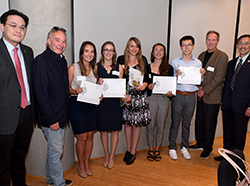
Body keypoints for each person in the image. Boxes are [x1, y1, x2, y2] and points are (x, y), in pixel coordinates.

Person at [32, 27, 72, 186]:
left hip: (61, 115)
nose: (61, 44)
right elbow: (40, 94)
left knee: (53, 152)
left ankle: (51, 180)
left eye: (64, 41)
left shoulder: (62, 60)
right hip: (52, 117)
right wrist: (51, 119)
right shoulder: (40, 61)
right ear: (48, 41)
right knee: (56, 153)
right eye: (57, 40)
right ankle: (58, 183)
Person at [0, 9, 34, 186]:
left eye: (22, 27)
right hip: (4, 119)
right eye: (13, 25)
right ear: (2, 26)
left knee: (20, 157)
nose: (18, 30)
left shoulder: (28, 52)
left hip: (26, 115)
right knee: (2, 164)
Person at [189, 30, 228, 159]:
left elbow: (219, 78)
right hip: (200, 95)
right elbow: (196, 75)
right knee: (200, 121)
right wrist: (198, 88)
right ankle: (199, 143)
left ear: (217, 41)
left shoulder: (222, 56)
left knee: (210, 124)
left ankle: (207, 148)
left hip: (212, 97)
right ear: (205, 41)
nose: (210, 42)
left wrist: (204, 90)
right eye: (208, 39)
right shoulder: (201, 55)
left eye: (213, 40)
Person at [168, 35, 205, 160]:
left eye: (189, 45)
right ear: (180, 47)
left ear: (193, 46)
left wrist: (202, 75)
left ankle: (184, 147)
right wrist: (176, 75)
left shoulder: (198, 63)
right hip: (178, 95)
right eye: (184, 45)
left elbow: (200, 81)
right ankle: (172, 147)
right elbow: (170, 80)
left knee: (187, 123)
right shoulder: (175, 62)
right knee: (175, 123)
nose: (186, 47)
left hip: (191, 96)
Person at [214, 34, 250, 161]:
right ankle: (227, 156)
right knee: (228, 131)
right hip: (228, 103)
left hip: (243, 105)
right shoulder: (231, 63)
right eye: (240, 43)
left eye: (246, 43)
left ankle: (237, 159)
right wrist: (223, 101)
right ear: (236, 46)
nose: (243, 46)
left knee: (239, 134)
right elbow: (227, 83)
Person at [97, 41, 131, 169]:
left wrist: (126, 98)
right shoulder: (97, 67)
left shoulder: (119, 67)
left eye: (111, 50)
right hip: (102, 104)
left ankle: (112, 155)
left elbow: (121, 87)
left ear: (114, 52)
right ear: (102, 52)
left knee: (115, 130)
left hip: (115, 104)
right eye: (106, 49)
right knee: (104, 131)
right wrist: (97, 83)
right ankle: (106, 154)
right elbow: (93, 86)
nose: (108, 52)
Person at [117, 37, 151, 165]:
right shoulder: (121, 59)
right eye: (132, 46)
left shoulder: (143, 60)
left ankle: (133, 151)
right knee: (127, 124)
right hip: (127, 96)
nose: (134, 49)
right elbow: (118, 78)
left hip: (139, 96)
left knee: (136, 125)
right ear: (128, 47)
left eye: (136, 46)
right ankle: (127, 149)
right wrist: (123, 96)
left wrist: (145, 85)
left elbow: (147, 78)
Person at [68, 41, 99, 178]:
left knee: (90, 136)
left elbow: (96, 87)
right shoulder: (73, 68)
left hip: (92, 105)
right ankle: (80, 164)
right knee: (82, 138)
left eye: (92, 51)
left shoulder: (95, 68)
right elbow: (66, 89)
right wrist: (75, 91)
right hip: (77, 105)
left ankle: (87, 163)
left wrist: (100, 93)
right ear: (82, 52)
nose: (89, 54)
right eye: (86, 51)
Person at [146, 43, 174, 161]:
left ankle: (157, 149)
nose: (158, 52)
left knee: (160, 125)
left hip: (164, 99)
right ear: (152, 53)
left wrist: (170, 93)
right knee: (150, 125)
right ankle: (151, 149)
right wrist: (149, 86)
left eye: (161, 50)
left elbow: (171, 86)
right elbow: (144, 83)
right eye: (156, 50)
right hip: (151, 99)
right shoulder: (147, 67)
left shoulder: (169, 68)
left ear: (164, 53)